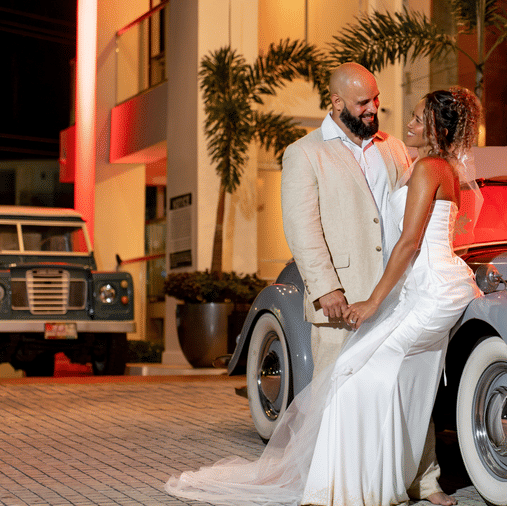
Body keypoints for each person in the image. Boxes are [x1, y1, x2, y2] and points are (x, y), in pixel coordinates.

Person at [164, 84, 482, 506]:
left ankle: (400, 482)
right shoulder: (305, 152)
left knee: (389, 381)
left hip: (407, 289)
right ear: (337, 103)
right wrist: (326, 290)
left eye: (378, 101)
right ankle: (335, 483)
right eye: (363, 102)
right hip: (356, 293)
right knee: (353, 385)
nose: (378, 110)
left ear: (437, 128)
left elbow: (411, 238)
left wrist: (376, 300)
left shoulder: (402, 154)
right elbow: (303, 229)